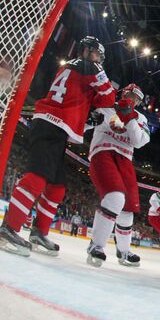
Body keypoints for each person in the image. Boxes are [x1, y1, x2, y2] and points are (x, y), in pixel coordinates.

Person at [0, 36, 115, 257]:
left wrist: (88, 120)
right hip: (51, 125)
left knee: (57, 186)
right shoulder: (90, 67)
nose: (99, 59)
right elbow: (108, 98)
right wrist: (102, 85)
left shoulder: (75, 68)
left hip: (55, 126)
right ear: (88, 51)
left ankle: (38, 232)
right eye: (97, 54)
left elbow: (80, 99)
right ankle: (9, 228)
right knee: (37, 177)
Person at [86, 84, 150, 268]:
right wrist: (89, 121)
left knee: (128, 209)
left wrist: (129, 117)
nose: (133, 99)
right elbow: (83, 125)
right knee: (114, 197)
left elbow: (138, 142)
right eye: (130, 94)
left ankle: (123, 251)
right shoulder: (107, 107)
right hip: (103, 151)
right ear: (123, 93)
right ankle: (96, 246)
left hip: (126, 160)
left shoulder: (141, 118)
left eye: (137, 98)